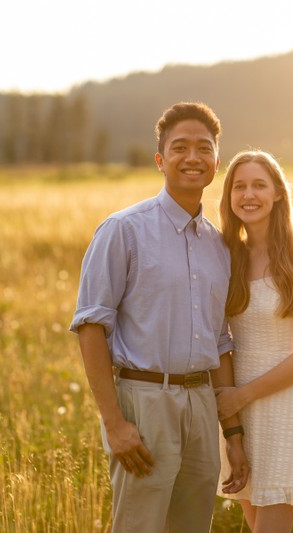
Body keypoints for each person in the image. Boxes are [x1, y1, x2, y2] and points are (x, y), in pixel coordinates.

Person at [69, 102, 249, 533]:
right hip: (144, 404)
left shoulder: (221, 246)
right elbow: (91, 327)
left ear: (216, 161)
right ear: (160, 160)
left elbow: (221, 341)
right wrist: (115, 424)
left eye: (203, 149)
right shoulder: (123, 230)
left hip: (203, 404)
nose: (192, 158)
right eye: (179, 148)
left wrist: (233, 436)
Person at [214, 150, 293, 532]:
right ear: (229, 197)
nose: (248, 195)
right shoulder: (226, 257)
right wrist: (232, 414)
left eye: (258, 185)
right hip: (239, 416)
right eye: (239, 186)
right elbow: (221, 341)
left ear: (279, 193)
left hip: (285, 407)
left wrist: (243, 394)